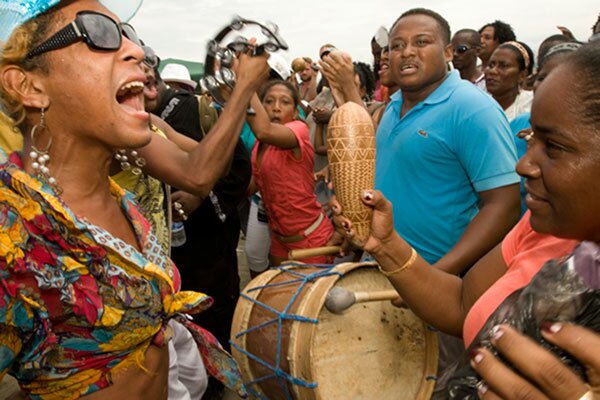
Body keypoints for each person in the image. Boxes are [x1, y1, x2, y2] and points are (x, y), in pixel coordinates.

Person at [0, 1, 269, 399]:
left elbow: (199, 171)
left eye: (129, 35)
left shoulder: (121, 199)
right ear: (29, 86)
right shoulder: (12, 239)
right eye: (100, 33)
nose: (138, 51)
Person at [333, 40, 600, 400]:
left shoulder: (470, 108)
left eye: (553, 147)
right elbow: (463, 304)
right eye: (530, 138)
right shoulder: (539, 229)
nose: (523, 164)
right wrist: (385, 245)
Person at [247, 80, 335, 266]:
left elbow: (263, 131)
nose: (276, 108)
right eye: (269, 102)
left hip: (311, 241)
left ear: (296, 112)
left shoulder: (299, 130)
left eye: (285, 102)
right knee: (281, 292)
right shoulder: (259, 144)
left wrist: (244, 83)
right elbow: (253, 184)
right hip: (280, 240)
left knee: (309, 294)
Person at [485, 40, 535, 121]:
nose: (492, 71)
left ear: (522, 75)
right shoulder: (478, 105)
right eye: (491, 65)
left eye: (503, 66)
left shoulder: (532, 105)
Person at [478, 20, 517, 87]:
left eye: (487, 38)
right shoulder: (472, 73)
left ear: (502, 43)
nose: (481, 41)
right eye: (480, 37)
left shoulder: (508, 75)